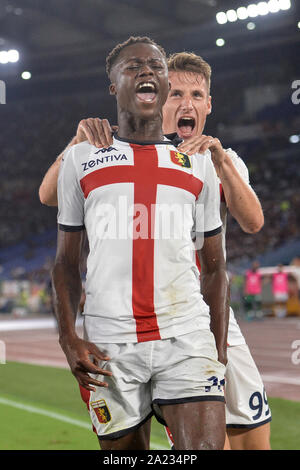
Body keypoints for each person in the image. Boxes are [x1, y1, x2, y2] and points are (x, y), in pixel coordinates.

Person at [39, 51, 271, 450]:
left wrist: (219, 161)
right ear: (159, 98)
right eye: (177, 93)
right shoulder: (111, 149)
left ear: (208, 105)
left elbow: (253, 222)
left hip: (206, 318)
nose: (187, 104)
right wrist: (76, 141)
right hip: (136, 325)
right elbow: (48, 195)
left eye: (197, 95)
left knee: (254, 440)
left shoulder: (219, 160)